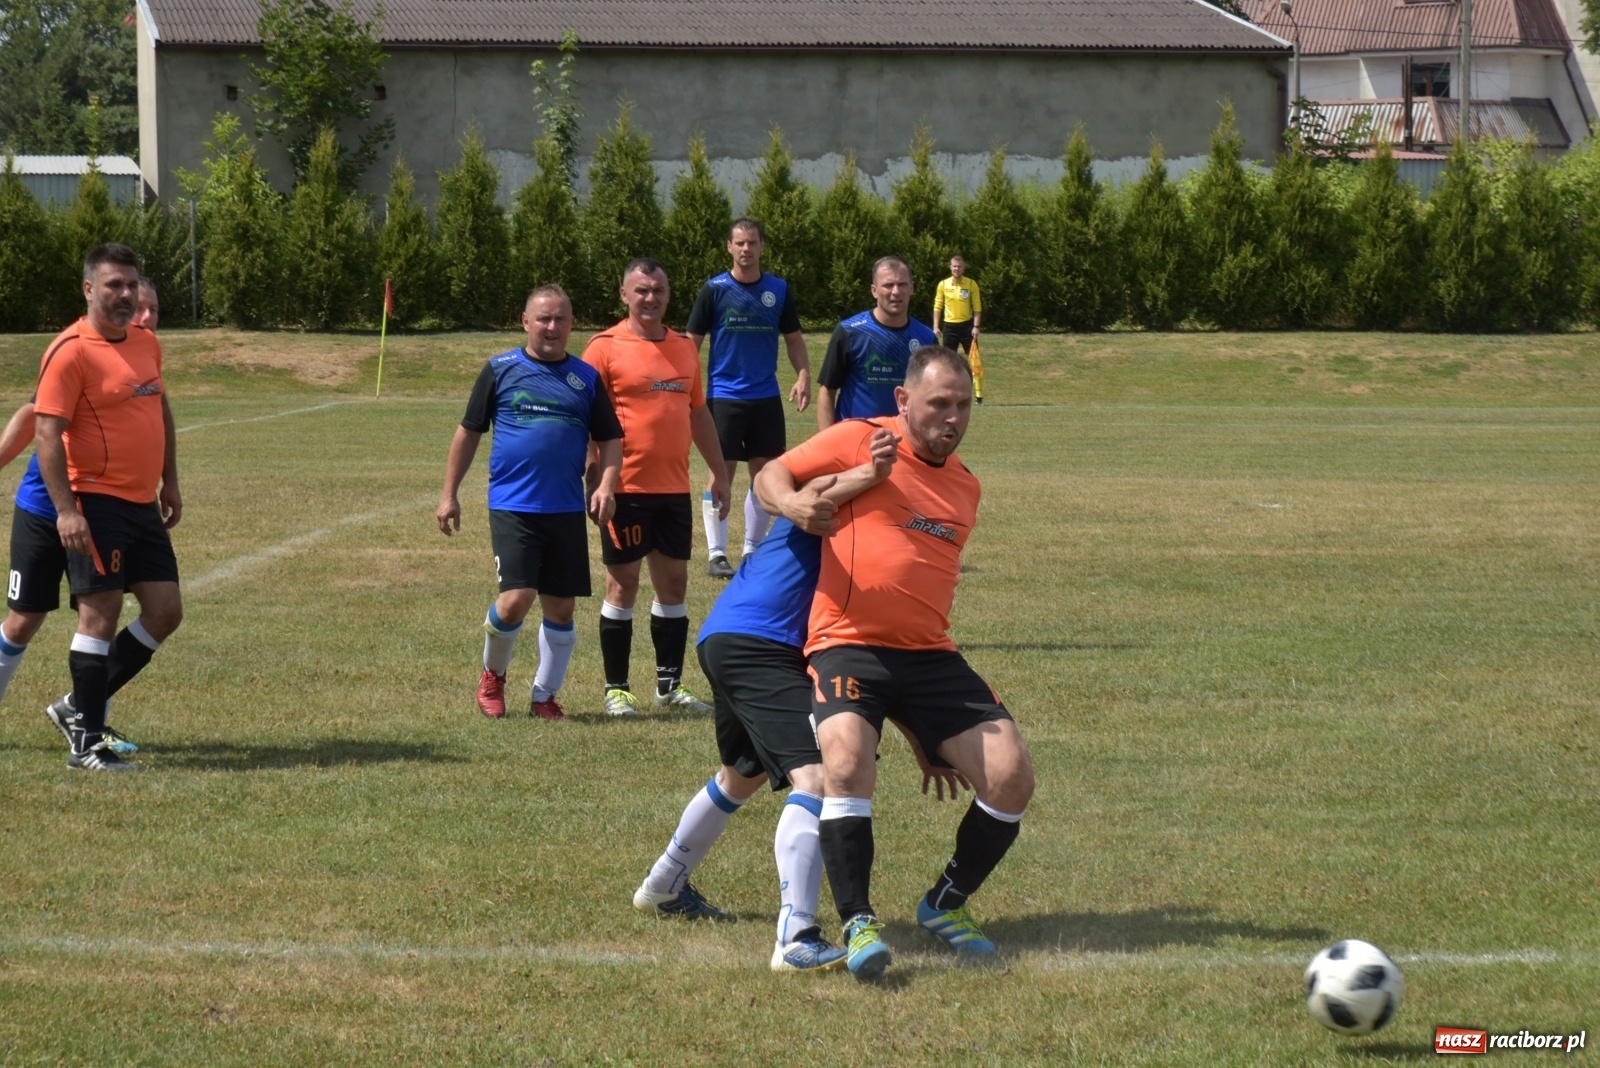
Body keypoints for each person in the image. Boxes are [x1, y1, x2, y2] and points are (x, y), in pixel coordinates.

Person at [632, 425, 968, 970]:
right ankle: (795, 936)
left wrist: (919, 738)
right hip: (761, 641)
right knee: (818, 775)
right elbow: (800, 493)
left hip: (733, 635)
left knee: (741, 772)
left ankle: (664, 884)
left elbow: (885, 657)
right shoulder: (851, 487)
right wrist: (869, 473)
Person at [755, 345, 1035, 981]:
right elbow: (772, 475)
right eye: (939, 403)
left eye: (963, 405)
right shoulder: (860, 438)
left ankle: (945, 904)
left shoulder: (966, 484)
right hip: (847, 641)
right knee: (847, 763)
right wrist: (795, 505)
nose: (953, 417)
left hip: (930, 655)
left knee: (1011, 776)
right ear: (904, 402)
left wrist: (922, 731)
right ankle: (857, 921)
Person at [438, 285, 623, 721]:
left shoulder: (585, 378)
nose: (552, 327)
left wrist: (606, 485)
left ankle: (545, 695)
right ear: (525, 322)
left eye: (560, 319)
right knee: (516, 599)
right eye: (543, 318)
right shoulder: (500, 370)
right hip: (513, 505)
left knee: (561, 608)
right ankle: (492, 676)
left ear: (572, 324)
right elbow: (468, 432)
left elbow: (611, 439)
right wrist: (449, 494)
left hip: (564, 510)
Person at [34, 247, 184, 772]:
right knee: (100, 616)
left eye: (130, 284)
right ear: (89, 290)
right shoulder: (70, 351)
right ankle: (87, 744)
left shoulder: (146, 342)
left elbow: (158, 409)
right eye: (113, 285)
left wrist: (170, 480)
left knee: (166, 611)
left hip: (142, 503)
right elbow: (47, 432)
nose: (124, 295)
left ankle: (77, 707)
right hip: (95, 501)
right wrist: (66, 511)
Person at [1, 277, 162, 759]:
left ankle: (84, 713)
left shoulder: (140, 352)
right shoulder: (77, 354)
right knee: (25, 617)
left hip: (102, 509)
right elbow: (35, 418)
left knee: (115, 610)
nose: (147, 319)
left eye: (155, 311)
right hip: (46, 505)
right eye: (142, 311)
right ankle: (86, 725)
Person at [583, 259, 731, 717]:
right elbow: (586, 419)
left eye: (659, 290)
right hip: (622, 488)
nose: (651, 298)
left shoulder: (685, 348)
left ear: (669, 295)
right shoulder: (603, 347)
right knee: (622, 584)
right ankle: (618, 689)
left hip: (671, 490)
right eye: (641, 290)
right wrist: (594, 477)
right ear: (624, 294)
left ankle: (669, 687)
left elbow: (698, 413)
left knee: (674, 583)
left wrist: (720, 472)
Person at [685, 218, 812, 580]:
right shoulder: (714, 289)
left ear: (762, 247)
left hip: (766, 397)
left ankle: (753, 550)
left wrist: (803, 375)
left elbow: (794, 340)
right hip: (724, 396)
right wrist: (687, 386)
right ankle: (716, 553)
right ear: (729, 246)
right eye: (739, 243)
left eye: (752, 243)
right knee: (720, 473)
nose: (745, 249)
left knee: (767, 475)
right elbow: (690, 342)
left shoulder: (778, 290)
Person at [814, 257, 937, 429]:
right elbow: (827, 391)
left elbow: (934, 396)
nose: (896, 291)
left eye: (902, 284)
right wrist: (826, 444)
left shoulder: (926, 338)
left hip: (905, 444)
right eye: (888, 285)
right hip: (855, 444)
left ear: (912, 288)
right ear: (874, 290)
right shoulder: (850, 332)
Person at [932, 255, 983, 404]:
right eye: (954, 266)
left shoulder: (971, 284)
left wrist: (976, 326)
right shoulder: (943, 284)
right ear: (950, 267)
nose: (956, 269)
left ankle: (979, 396)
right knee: (947, 363)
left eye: (959, 266)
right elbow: (938, 306)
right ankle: (946, 393)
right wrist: (935, 326)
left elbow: (977, 307)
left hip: (967, 327)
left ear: (963, 267)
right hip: (949, 327)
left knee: (974, 361)